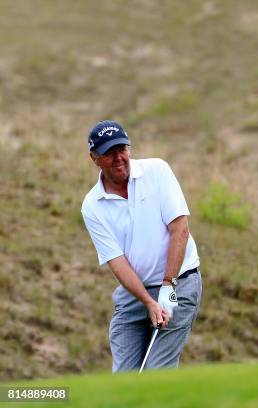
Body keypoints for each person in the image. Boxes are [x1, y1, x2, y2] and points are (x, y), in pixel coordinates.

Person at [81, 120, 202, 372]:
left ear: (130, 149)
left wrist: (169, 285)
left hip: (178, 284)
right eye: (109, 153)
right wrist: (148, 301)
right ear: (95, 158)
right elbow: (117, 263)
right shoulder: (92, 205)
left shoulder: (156, 171)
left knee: (156, 373)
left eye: (122, 149)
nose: (118, 158)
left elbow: (179, 228)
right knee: (124, 379)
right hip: (134, 295)